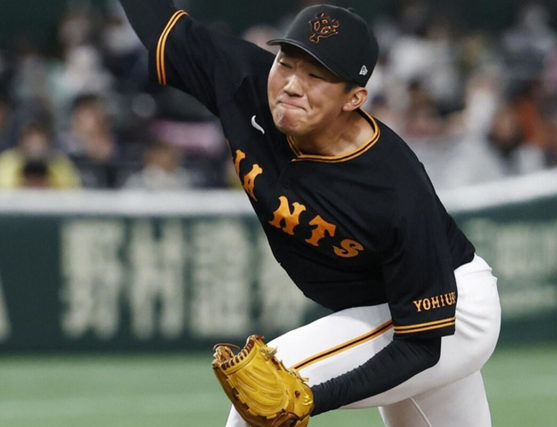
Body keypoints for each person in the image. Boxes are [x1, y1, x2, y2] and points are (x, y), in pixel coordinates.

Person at [120, 2, 501, 426]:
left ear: (354, 98)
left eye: (316, 75)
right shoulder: (243, 80)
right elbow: (164, 32)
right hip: (384, 309)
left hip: (449, 317)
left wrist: (312, 399)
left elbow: (422, 345)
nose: (291, 85)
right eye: (286, 62)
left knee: (265, 389)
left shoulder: (392, 185)